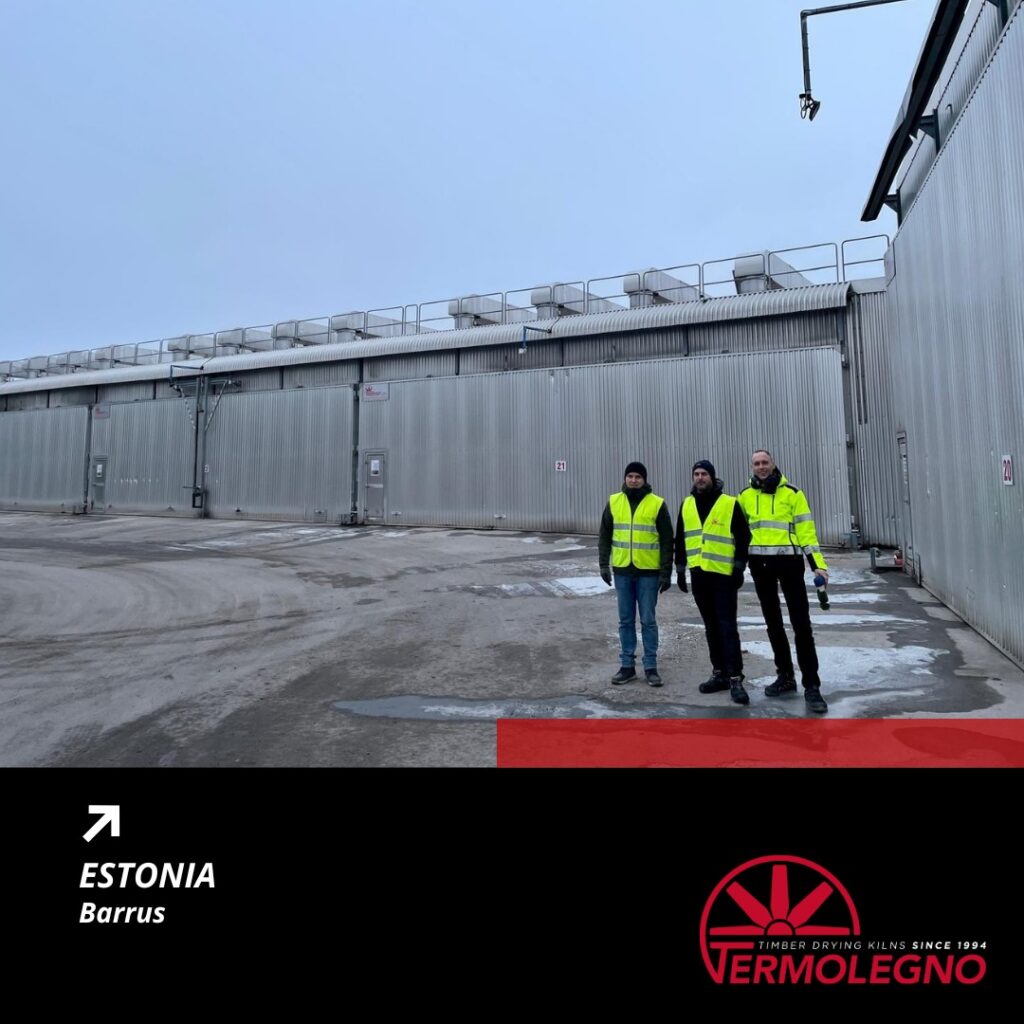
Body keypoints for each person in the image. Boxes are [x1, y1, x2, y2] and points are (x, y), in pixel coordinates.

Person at [737, 449, 829, 713]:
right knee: (773, 624)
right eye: (756, 463)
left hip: (789, 564)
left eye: (765, 462)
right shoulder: (744, 497)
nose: (761, 467)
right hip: (760, 566)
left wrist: (818, 566)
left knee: (801, 624)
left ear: (774, 464)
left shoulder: (793, 494)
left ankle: (812, 685)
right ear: (751, 467)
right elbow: (739, 534)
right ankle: (785, 676)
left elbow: (807, 532)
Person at [675, 460, 751, 705]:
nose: (699, 478)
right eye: (696, 474)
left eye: (704, 474)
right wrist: (679, 569)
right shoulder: (686, 505)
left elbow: (743, 537)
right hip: (699, 575)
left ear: (712, 476)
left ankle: (735, 678)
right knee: (710, 626)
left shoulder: (729, 503)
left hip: (723, 576)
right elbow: (681, 539)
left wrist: (739, 568)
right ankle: (719, 672)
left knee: (727, 626)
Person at [599, 462, 673, 686]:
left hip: (648, 573)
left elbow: (667, 540)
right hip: (622, 572)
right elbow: (605, 535)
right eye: (630, 476)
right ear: (625, 478)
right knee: (625, 621)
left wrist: (666, 572)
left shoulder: (657, 504)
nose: (633, 480)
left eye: (637, 477)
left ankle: (650, 666)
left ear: (644, 479)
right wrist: (604, 564)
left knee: (648, 621)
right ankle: (627, 666)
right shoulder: (614, 501)